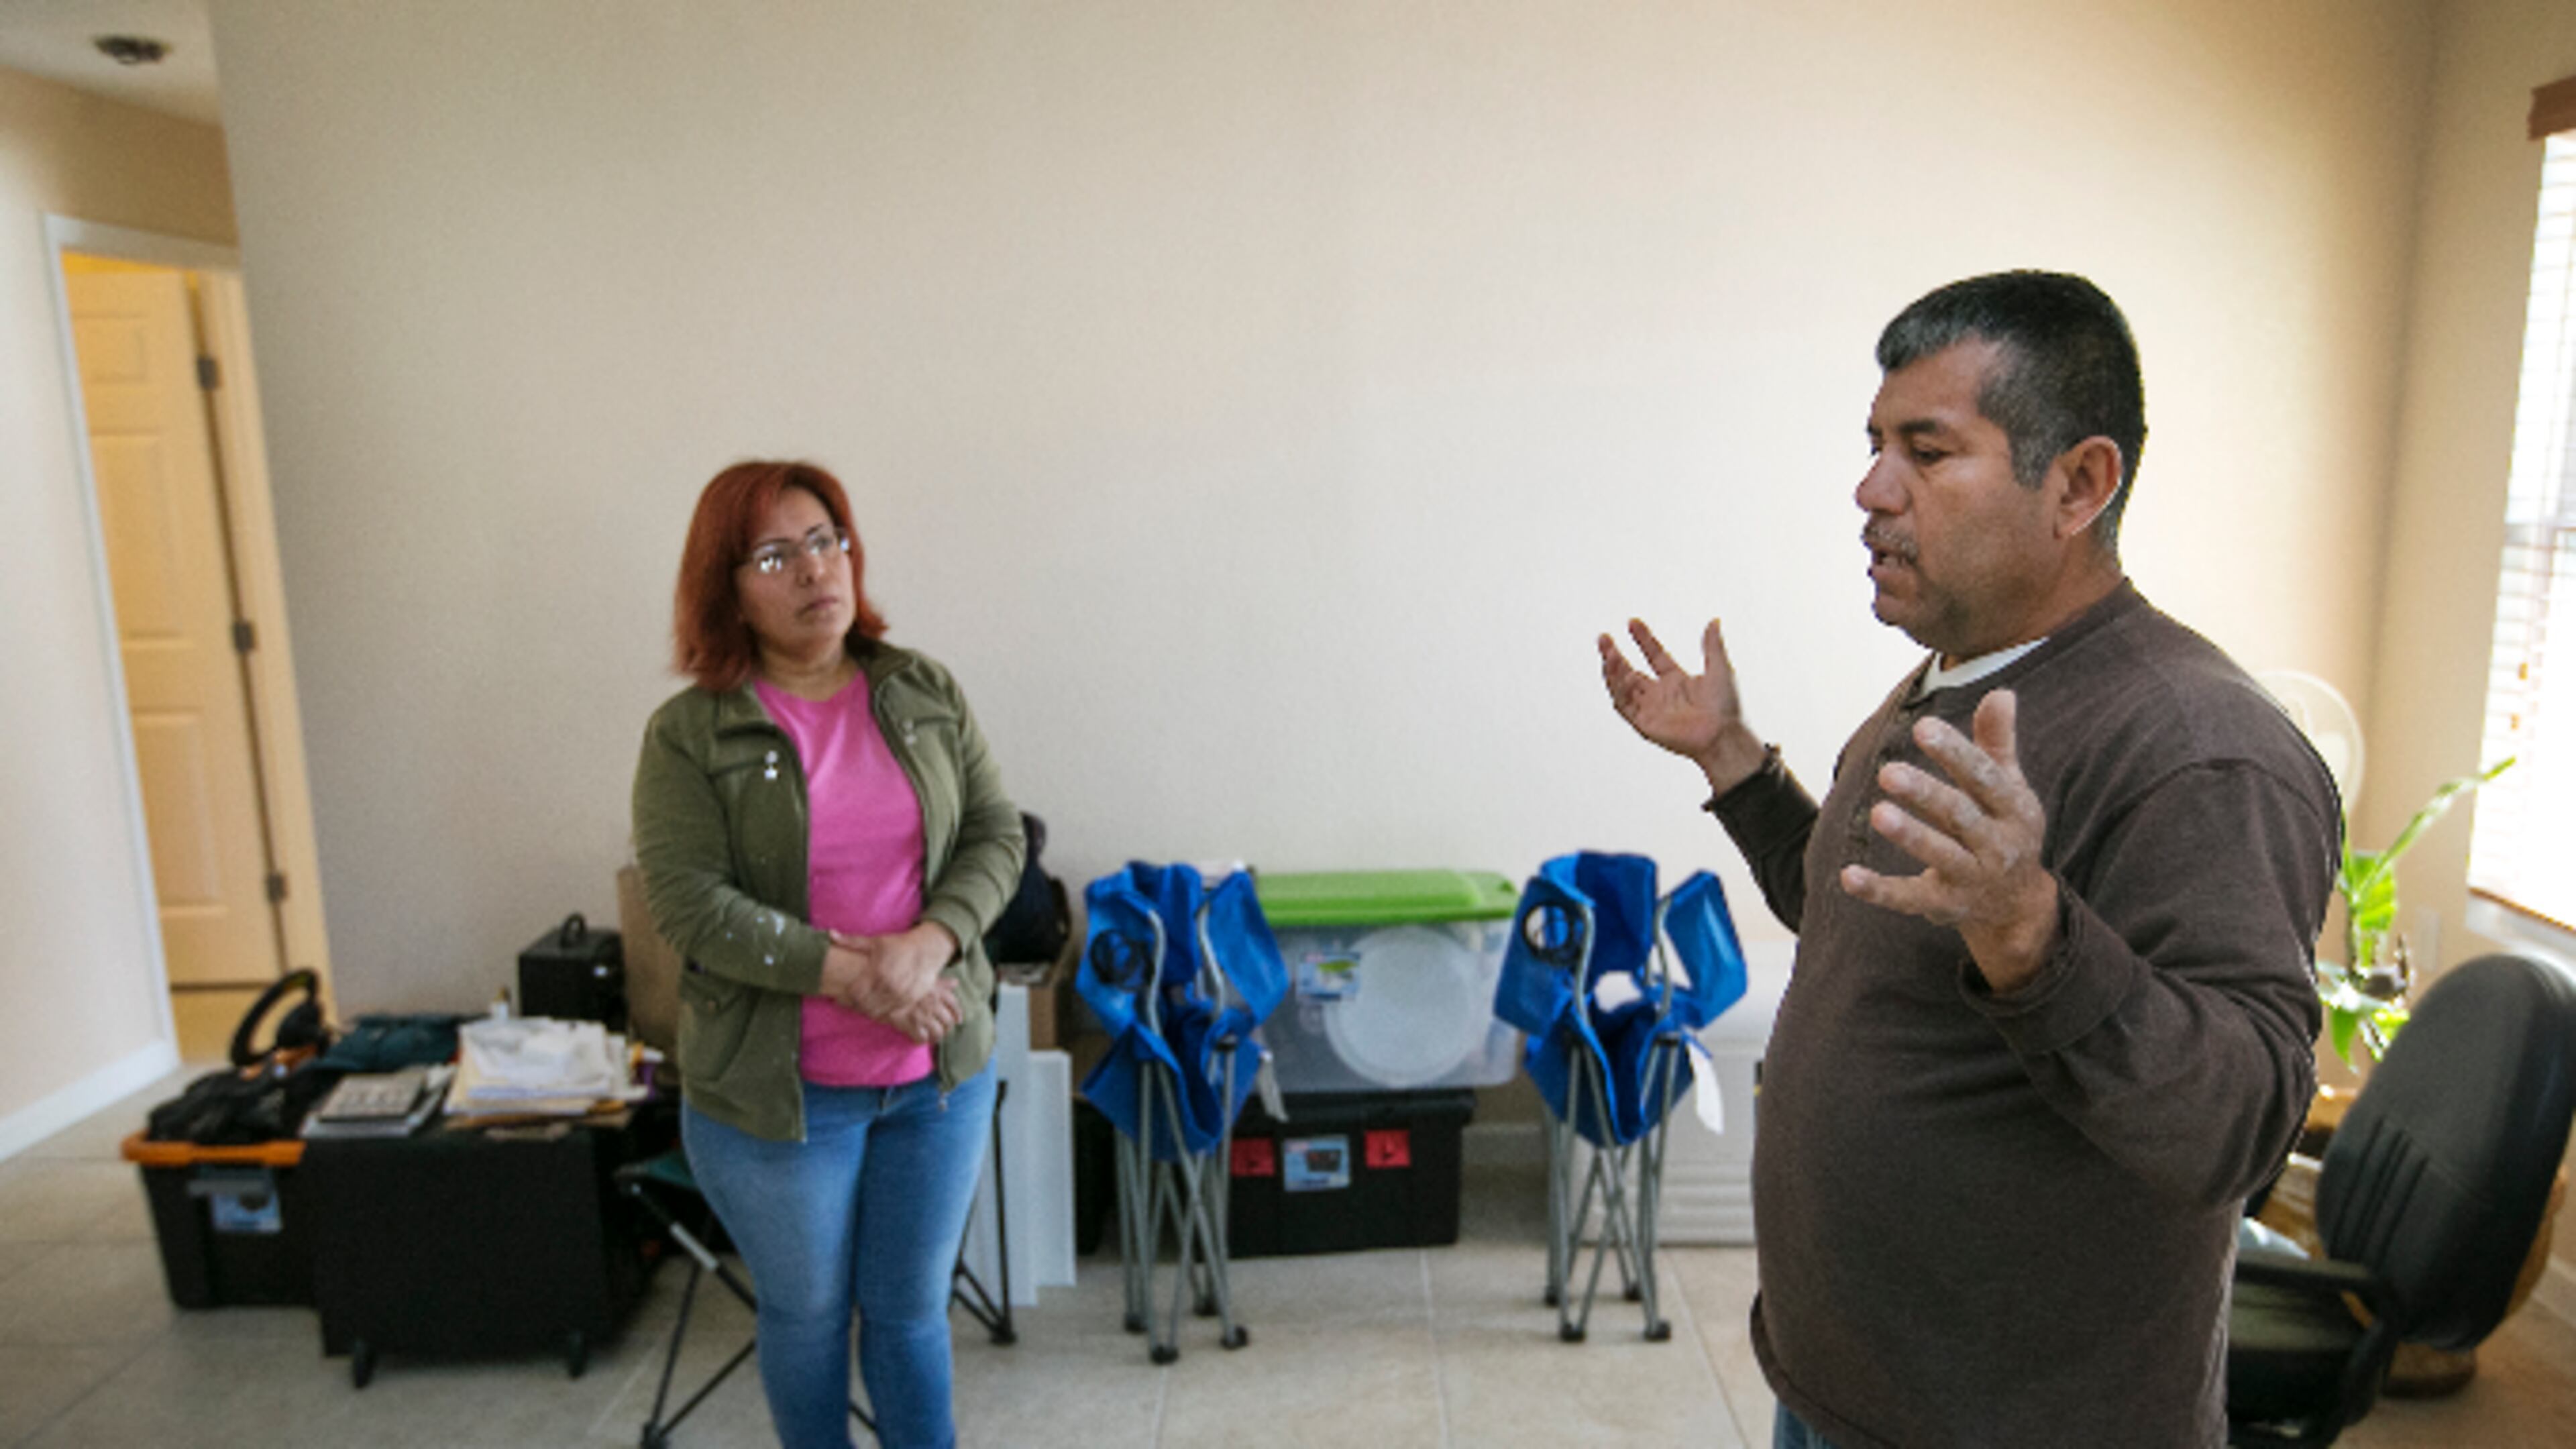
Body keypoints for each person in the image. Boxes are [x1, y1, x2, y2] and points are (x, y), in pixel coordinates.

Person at [1599, 272, 2339, 1449]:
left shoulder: (2200, 747)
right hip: (1845, 1388)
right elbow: (1862, 918)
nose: (1871, 490)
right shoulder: (1956, 678)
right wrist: (1735, 765)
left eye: (1928, 452)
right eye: (1875, 445)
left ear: (2079, 485)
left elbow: (2237, 1128)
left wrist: (2032, 936)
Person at [632, 460, 1024, 1449]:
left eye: (826, 541)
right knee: (807, 1317)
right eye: (776, 556)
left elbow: (996, 834)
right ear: (728, 590)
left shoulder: (922, 689)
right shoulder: (689, 734)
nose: (815, 570)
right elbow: (690, 903)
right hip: (780, 1097)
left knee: (909, 1313)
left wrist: (929, 944)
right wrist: (857, 976)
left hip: (935, 1077)